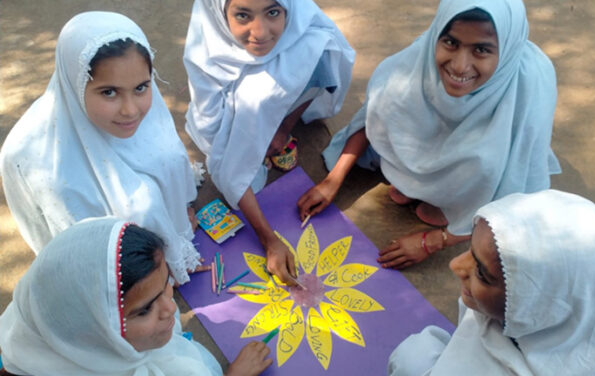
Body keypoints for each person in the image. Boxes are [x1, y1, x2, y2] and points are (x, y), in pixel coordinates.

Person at [297, 0, 561, 269]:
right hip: (434, 153)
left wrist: (433, 241)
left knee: (486, 161)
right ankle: (424, 182)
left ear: (506, 51)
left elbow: (515, 197)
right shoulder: (419, 58)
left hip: (479, 168)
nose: (459, 66)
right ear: (438, 34)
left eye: (481, 50)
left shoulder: (530, 88)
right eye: (451, 43)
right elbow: (373, 115)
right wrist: (334, 179)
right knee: (397, 103)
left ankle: (448, 198)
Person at [0, 11, 206, 284]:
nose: (131, 110)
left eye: (142, 87)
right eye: (109, 92)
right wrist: (162, 268)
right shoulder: (48, 172)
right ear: (75, 84)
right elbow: (90, 261)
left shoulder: (150, 114)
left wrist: (175, 217)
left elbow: (168, 160)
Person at [183, 0, 355, 284]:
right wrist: (268, 239)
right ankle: (259, 128)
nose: (260, 32)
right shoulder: (209, 56)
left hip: (280, 112)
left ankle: (278, 127)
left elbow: (320, 75)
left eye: (273, 12)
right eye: (242, 15)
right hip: (236, 113)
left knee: (321, 49)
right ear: (219, 12)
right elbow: (224, 156)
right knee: (249, 119)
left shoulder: (306, 35)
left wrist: (283, 128)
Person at [387, 190, 595, 375]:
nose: (456, 265)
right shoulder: (583, 323)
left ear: (537, 305)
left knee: (413, 355)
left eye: (482, 273)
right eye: (470, 248)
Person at [0, 218, 272, 375]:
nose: (170, 309)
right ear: (92, 333)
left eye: (166, 281)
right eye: (144, 310)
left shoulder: (57, 340)